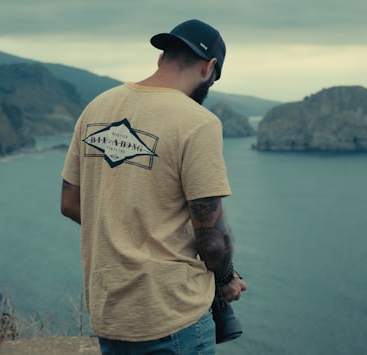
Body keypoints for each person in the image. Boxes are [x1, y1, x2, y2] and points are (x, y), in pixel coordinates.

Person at [60, 19, 248, 354]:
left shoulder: (97, 107)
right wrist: (226, 279)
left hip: (111, 312)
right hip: (171, 316)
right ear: (210, 68)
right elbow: (213, 240)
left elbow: (70, 202)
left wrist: (126, 232)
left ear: (162, 58)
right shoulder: (197, 121)